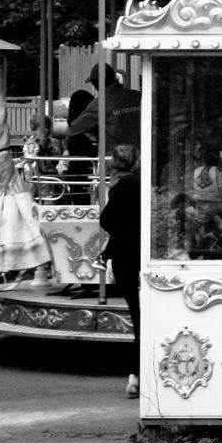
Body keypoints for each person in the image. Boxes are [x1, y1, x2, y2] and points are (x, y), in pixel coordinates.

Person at [98, 144, 142, 399]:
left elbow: (106, 220)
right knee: (142, 317)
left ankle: (136, 374)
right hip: (137, 256)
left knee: (138, 316)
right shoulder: (138, 184)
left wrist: (123, 235)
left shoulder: (121, 185)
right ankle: (137, 373)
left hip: (124, 257)